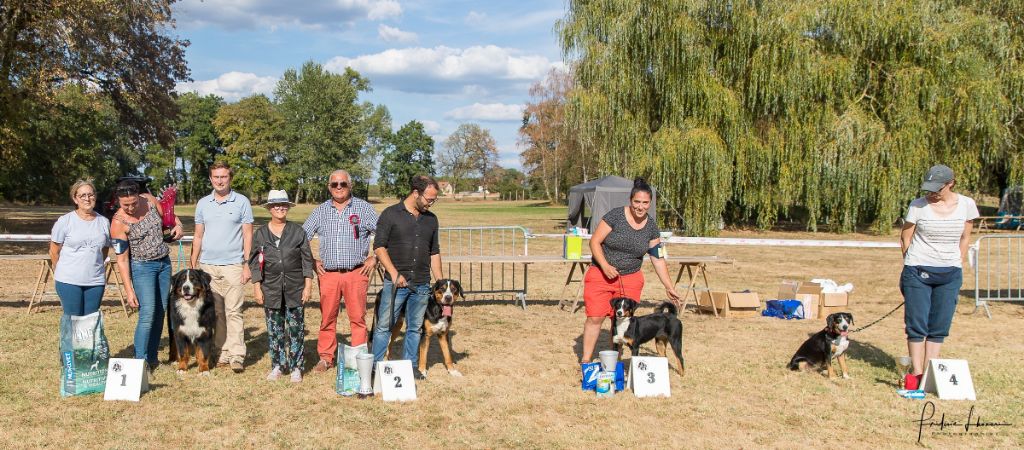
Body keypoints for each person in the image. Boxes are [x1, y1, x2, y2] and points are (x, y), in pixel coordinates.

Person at [579, 177, 681, 364]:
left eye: (645, 203)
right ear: (630, 200)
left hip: (630, 278)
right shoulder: (615, 216)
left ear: (650, 203)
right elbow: (594, 242)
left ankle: (614, 364)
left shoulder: (651, 227)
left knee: (620, 321)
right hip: (601, 274)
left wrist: (669, 286)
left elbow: (657, 258)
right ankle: (585, 362)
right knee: (595, 317)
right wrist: (605, 265)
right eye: (637, 202)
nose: (640, 207)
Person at [899, 164, 978, 390]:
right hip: (917, 270)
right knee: (916, 324)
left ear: (950, 183)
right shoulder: (918, 206)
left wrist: (958, 261)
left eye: (937, 188)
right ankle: (916, 374)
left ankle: (929, 374)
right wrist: (909, 263)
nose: (931, 192)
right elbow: (905, 237)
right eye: (929, 187)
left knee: (939, 325)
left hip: (950, 272)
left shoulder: (966, 205)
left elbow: (965, 237)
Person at [302, 170, 378, 372]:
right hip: (328, 274)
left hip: (356, 272)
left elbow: (384, 234)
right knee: (327, 317)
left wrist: (375, 258)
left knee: (358, 318)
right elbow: (302, 238)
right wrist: (311, 261)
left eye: (343, 183)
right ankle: (326, 357)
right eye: (334, 184)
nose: (338, 187)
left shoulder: (363, 208)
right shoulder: (320, 211)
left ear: (350, 186)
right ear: (329, 187)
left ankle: (360, 358)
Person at [371, 175, 443, 379]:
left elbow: (434, 252)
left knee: (414, 329)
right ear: (415, 193)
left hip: (421, 285)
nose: (431, 203)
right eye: (429, 199)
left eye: (434, 200)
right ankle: (376, 367)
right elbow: (379, 247)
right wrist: (394, 274)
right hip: (395, 285)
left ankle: (410, 368)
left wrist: (440, 283)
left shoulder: (431, 219)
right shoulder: (390, 214)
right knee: (385, 326)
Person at [110, 180, 183, 370]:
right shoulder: (118, 223)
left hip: (164, 264)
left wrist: (179, 226)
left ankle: (152, 358)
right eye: (126, 205)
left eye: (134, 202)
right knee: (147, 313)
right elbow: (122, 260)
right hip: (142, 267)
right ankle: (139, 362)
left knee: (160, 312)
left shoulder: (149, 201)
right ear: (118, 201)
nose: (131, 207)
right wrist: (129, 290)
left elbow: (170, 217)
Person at [190, 161, 254, 373]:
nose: (220, 180)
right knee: (216, 313)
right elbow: (198, 235)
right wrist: (193, 263)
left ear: (230, 178)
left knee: (234, 311)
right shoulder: (203, 204)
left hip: (234, 265)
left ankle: (237, 355)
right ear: (210, 179)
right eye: (216, 177)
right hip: (208, 267)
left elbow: (247, 234)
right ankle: (223, 351)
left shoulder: (242, 202)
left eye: (224, 177)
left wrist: (246, 264)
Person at [249, 190, 314, 383]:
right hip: (271, 289)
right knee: (274, 329)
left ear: (288, 207)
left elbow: (307, 261)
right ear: (269, 208)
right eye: (276, 205)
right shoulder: (260, 234)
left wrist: (308, 286)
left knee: (296, 329)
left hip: (295, 288)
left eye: (283, 205)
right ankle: (277, 365)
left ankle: (296, 367)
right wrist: (256, 288)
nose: (280, 208)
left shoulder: (298, 232)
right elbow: (254, 263)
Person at [49, 179, 111, 316]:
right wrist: (60, 272)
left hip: (95, 281)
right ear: (75, 199)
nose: (87, 199)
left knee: (91, 322)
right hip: (68, 281)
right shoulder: (65, 221)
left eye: (90, 194)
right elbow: (54, 251)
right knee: (72, 321)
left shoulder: (104, 222)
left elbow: (105, 250)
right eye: (82, 195)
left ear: (95, 196)